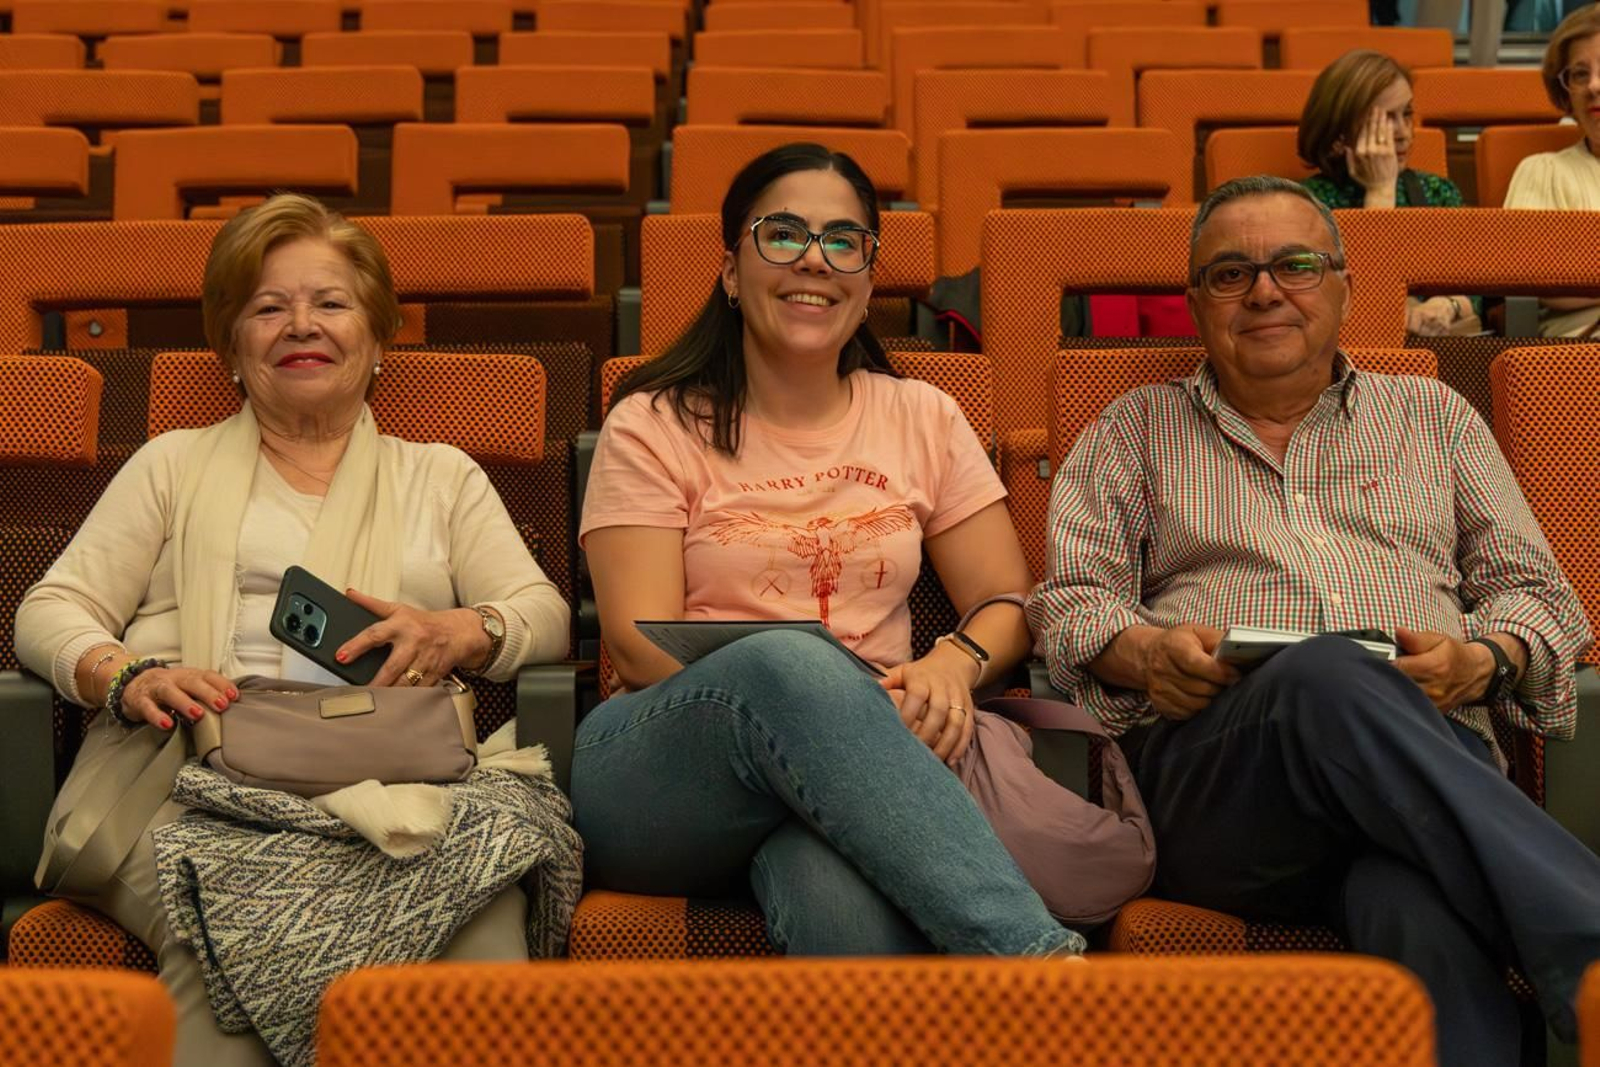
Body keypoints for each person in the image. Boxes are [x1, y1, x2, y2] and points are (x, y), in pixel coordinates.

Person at [1028, 174, 1600, 1067]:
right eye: (1230, 273)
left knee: (1412, 912)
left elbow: (1543, 595)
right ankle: (1589, 949)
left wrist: (1482, 661)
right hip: (1222, 787)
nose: (1264, 290)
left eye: (1295, 265)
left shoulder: (1436, 418)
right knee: (1327, 674)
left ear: (1342, 286)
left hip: (1415, 778)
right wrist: (1145, 653)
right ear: (1194, 304)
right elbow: (1067, 602)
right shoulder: (1132, 429)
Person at [16, 194, 571, 1066]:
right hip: (194, 781)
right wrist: (124, 673)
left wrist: (460, 629)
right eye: (268, 307)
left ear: (378, 337)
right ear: (232, 346)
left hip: (396, 783)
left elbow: (542, 614)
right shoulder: (172, 463)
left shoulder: (441, 477)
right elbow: (50, 609)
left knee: (485, 906)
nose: (299, 325)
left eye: (331, 303)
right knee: (238, 923)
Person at [574, 143, 1083, 959]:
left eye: (844, 242)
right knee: (790, 662)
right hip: (662, 769)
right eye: (783, 234)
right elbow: (638, 646)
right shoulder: (654, 422)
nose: (815, 259)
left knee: (843, 916)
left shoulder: (924, 416)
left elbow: (1006, 600)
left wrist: (953, 662)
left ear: (869, 278)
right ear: (733, 271)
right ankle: (1039, 968)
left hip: (860, 776)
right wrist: (816, 710)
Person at [1298, 49, 1475, 336]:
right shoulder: (1307, 204)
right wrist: (1380, 191)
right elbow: (1348, 302)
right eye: (1384, 119)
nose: (1403, 132)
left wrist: (1447, 305)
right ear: (1341, 133)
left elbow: (1476, 289)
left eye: (1406, 114)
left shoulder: (1438, 192)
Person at [1503, 4, 1600, 335]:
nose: (1594, 86)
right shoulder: (1542, 171)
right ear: (1565, 91)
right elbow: (1532, 276)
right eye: (1580, 74)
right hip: (1574, 358)